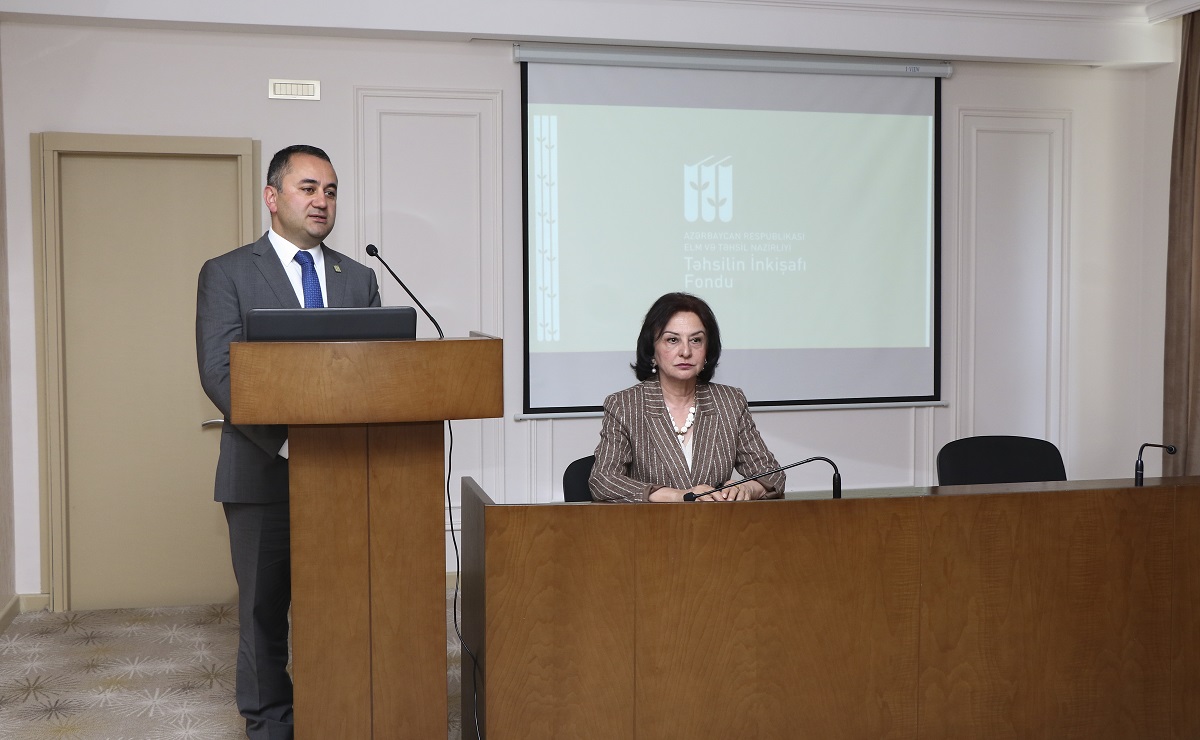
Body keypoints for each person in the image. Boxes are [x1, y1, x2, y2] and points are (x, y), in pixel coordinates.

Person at [195, 144, 380, 740]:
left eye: (331, 190)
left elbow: (378, 375)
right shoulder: (227, 273)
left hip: (346, 475)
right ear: (272, 197)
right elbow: (220, 373)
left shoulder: (360, 278)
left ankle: (339, 715)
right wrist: (288, 444)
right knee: (263, 613)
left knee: (342, 608)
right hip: (261, 472)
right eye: (308, 188)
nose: (322, 200)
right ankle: (271, 725)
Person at [589, 292, 785, 502]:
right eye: (672, 340)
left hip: (717, 522)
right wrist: (677, 495)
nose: (685, 351)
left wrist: (748, 488)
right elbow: (603, 480)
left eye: (696, 340)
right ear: (652, 348)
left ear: (707, 349)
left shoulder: (730, 401)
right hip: (652, 522)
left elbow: (773, 475)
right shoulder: (625, 405)